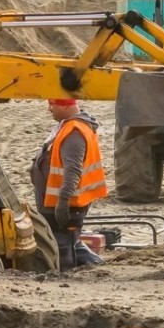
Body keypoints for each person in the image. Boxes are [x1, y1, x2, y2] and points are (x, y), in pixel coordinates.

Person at [30, 99, 108, 269]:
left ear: (65, 105)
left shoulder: (74, 132)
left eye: (52, 104)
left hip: (65, 204)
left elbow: (72, 170)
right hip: (58, 201)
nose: (49, 109)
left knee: (62, 245)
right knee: (66, 241)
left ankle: (68, 277)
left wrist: (62, 202)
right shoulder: (68, 127)